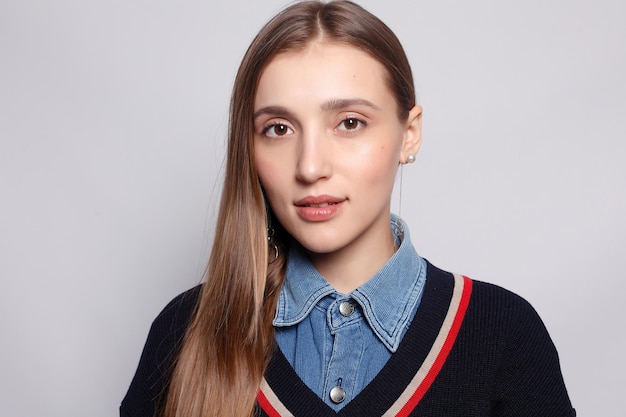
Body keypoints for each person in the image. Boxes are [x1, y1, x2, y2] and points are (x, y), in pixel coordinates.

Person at [120, 1, 576, 416]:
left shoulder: (502, 335)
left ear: (409, 133)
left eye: (349, 123)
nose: (310, 166)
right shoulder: (183, 332)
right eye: (278, 129)